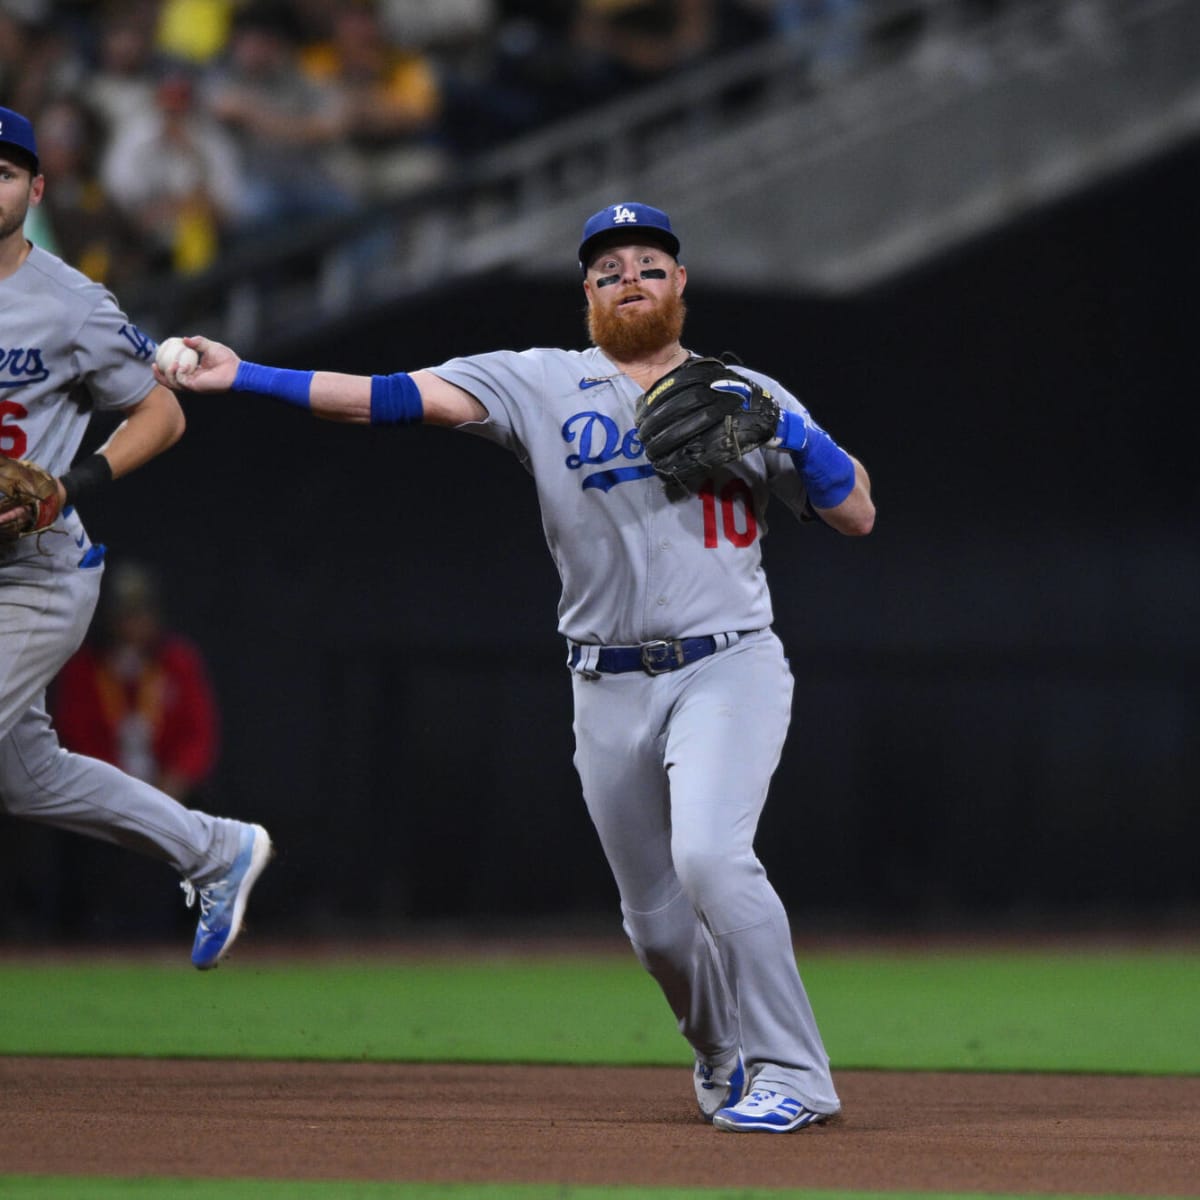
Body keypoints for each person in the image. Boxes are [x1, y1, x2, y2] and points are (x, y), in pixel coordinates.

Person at [163, 200, 875, 1130]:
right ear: (586, 292)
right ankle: (723, 1055)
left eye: (649, 264)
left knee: (712, 856)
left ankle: (797, 1076)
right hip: (604, 680)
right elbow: (386, 397)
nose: (630, 278)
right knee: (657, 928)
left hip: (726, 663)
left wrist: (793, 433)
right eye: (609, 267)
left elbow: (857, 511)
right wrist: (245, 373)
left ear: (681, 285)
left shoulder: (747, 391)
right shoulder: (537, 382)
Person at [0, 104, 271, 968]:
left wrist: (71, 486)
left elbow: (161, 408)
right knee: (27, 775)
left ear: (35, 189)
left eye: (3, 173)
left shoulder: (71, 304)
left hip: (34, 576)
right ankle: (214, 849)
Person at [53, 560, 220, 807]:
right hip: (101, 797)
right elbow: (75, 734)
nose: (132, 625)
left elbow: (199, 733)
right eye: (125, 616)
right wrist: (115, 789)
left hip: (172, 793)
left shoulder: (178, 662)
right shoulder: (84, 668)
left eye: (140, 614)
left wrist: (175, 780)